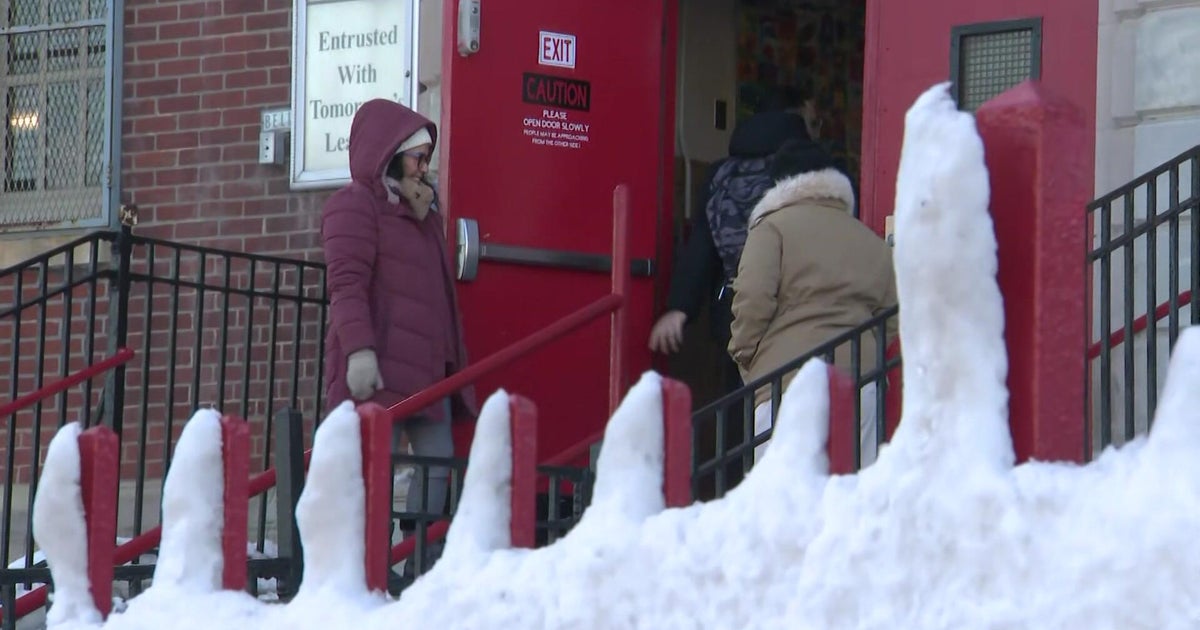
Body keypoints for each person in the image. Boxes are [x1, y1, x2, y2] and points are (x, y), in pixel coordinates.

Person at [321, 98, 474, 574]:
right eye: (417, 156)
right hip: (379, 367)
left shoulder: (424, 216)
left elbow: (438, 295)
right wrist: (359, 351)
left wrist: (451, 360)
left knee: (438, 463)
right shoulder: (354, 205)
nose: (424, 166)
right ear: (389, 153)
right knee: (373, 475)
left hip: (426, 371)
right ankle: (369, 570)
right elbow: (346, 284)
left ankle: (421, 565)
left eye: (428, 157)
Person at [728, 139, 896, 466]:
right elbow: (893, 314)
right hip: (863, 383)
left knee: (785, 501)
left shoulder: (771, 229)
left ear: (779, 184)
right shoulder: (869, 240)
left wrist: (745, 353)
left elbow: (752, 298)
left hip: (786, 383)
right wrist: (868, 351)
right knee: (850, 496)